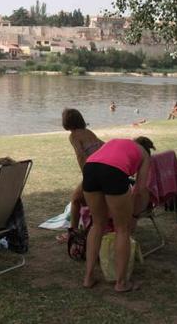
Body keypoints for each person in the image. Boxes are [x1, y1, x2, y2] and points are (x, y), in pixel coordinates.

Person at [81, 138, 151, 292]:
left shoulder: (117, 142)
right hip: (114, 172)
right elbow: (140, 189)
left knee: (97, 224)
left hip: (90, 168)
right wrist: (135, 213)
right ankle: (121, 283)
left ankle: (88, 277)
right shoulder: (144, 154)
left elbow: (102, 161)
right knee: (122, 229)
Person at [60, 109, 104, 242]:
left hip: (94, 172)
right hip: (103, 168)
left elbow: (80, 155)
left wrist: (87, 175)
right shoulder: (89, 132)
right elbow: (103, 145)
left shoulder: (73, 136)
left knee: (75, 199)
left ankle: (72, 233)